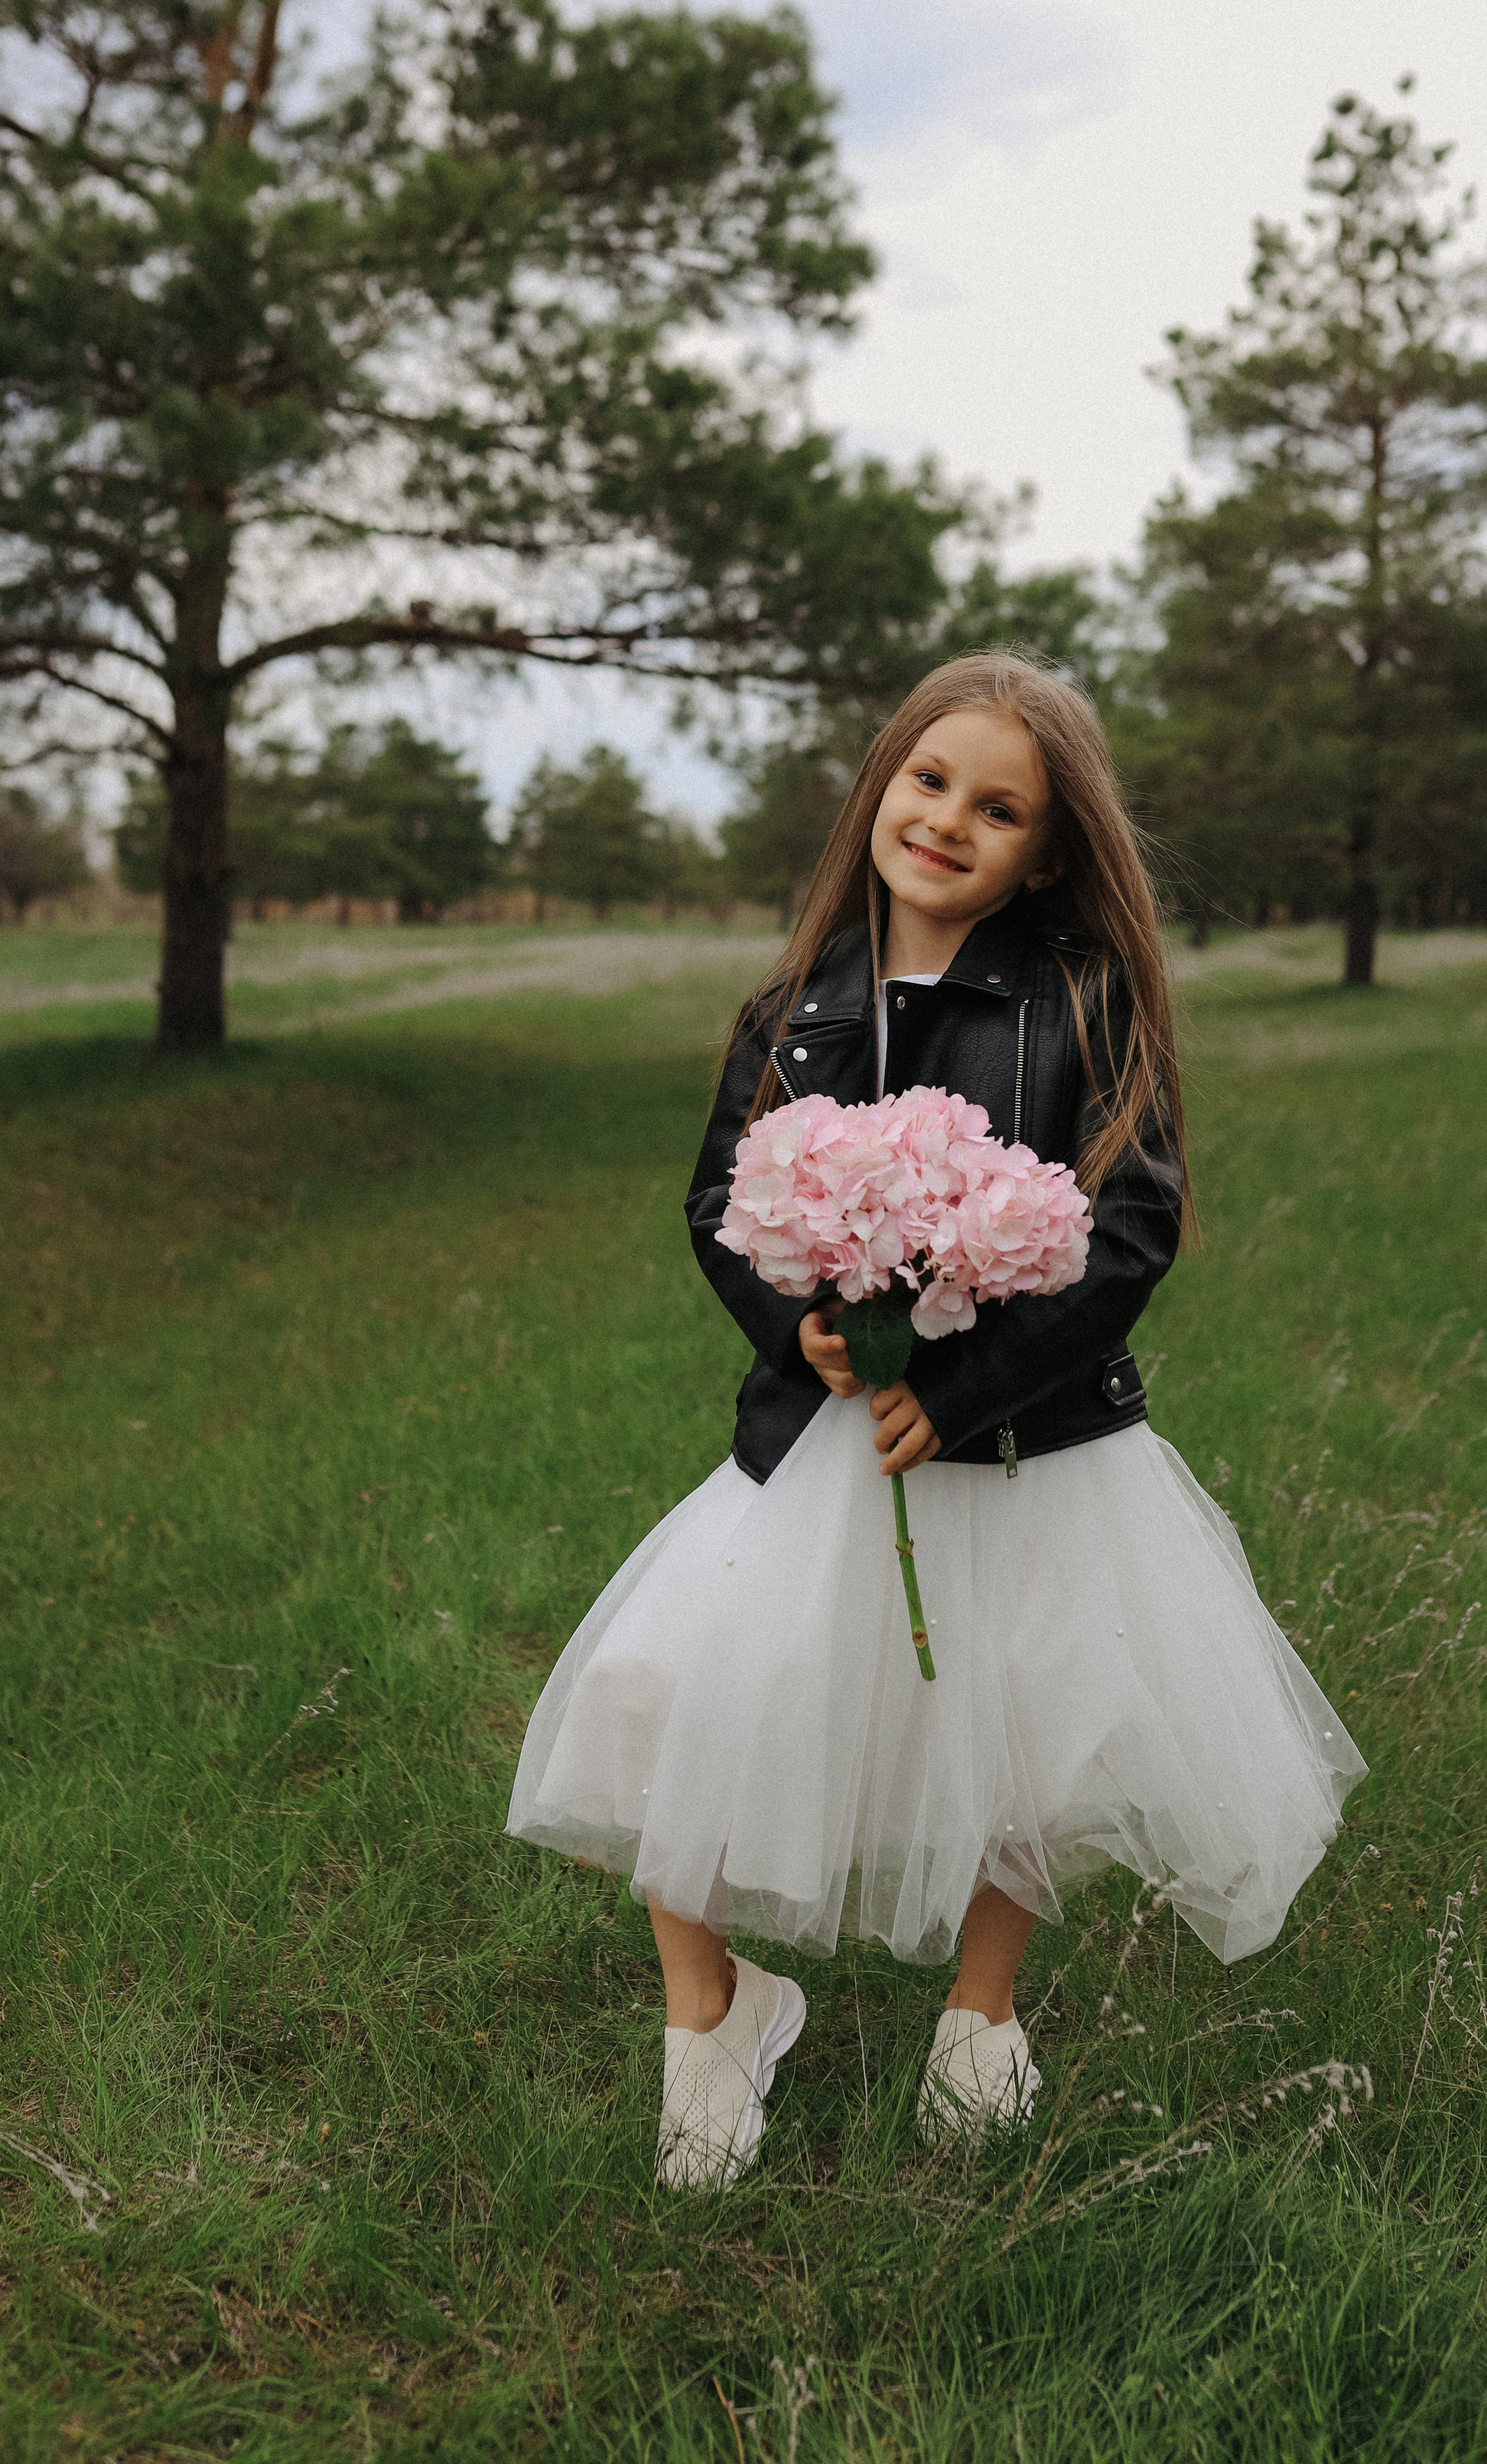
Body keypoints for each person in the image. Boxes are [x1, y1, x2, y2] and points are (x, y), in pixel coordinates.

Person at [507, 652, 1366, 2187]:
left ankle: (981, 2016)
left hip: (1028, 1439)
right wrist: (799, 1327)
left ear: (1047, 852)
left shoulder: (1082, 1001)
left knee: (1025, 1731)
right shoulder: (791, 1010)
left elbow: (1128, 1233)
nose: (950, 821)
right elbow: (717, 1205)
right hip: (823, 1431)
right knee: (656, 1689)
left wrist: (960, 1386)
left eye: (999, 808)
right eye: (928, 780)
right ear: (880, 789)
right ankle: (715, 2009)